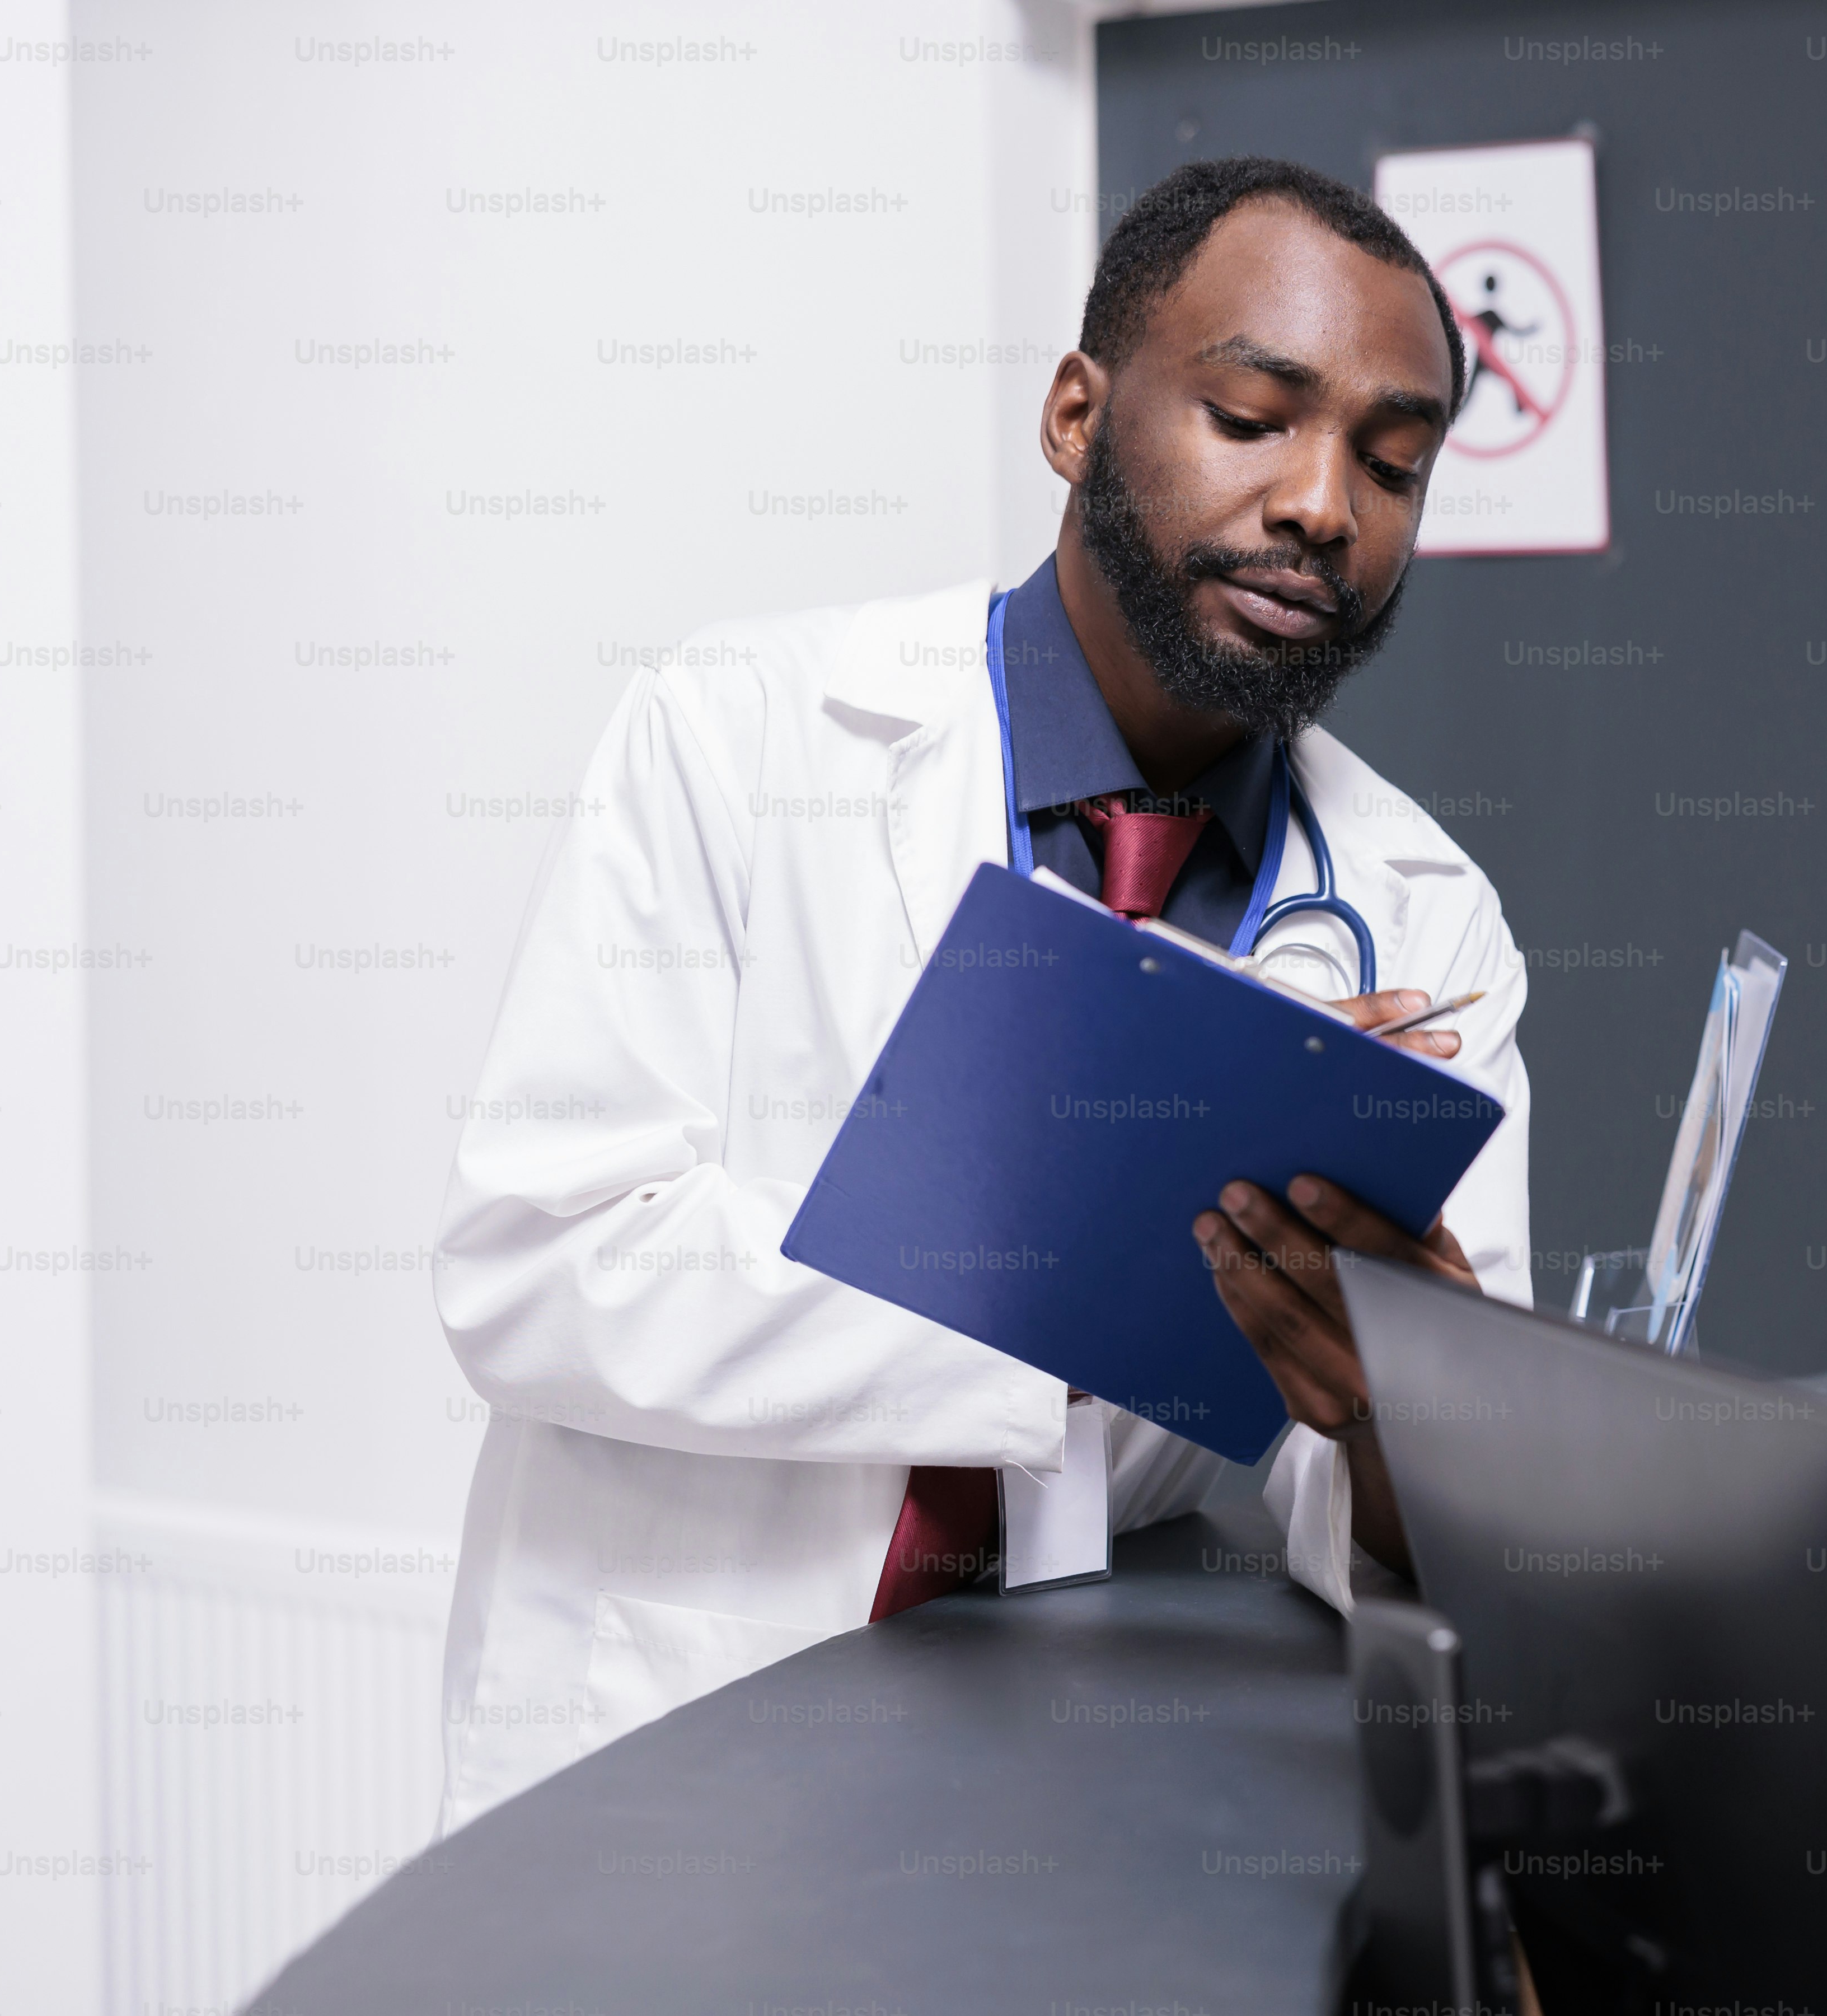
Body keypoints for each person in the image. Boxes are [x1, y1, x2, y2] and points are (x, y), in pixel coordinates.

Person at [429, 158, 1531, 1830]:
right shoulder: (737, 735)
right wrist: (1096, 1257)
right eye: (1251, 415)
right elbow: (539, 1262)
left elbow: (1379, 1520)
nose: (1324, 503)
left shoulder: (1421, 915)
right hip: (667, 1746)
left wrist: (1400, 1395)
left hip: (1069, 1784)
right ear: (1076, 415)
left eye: (1393, 463)